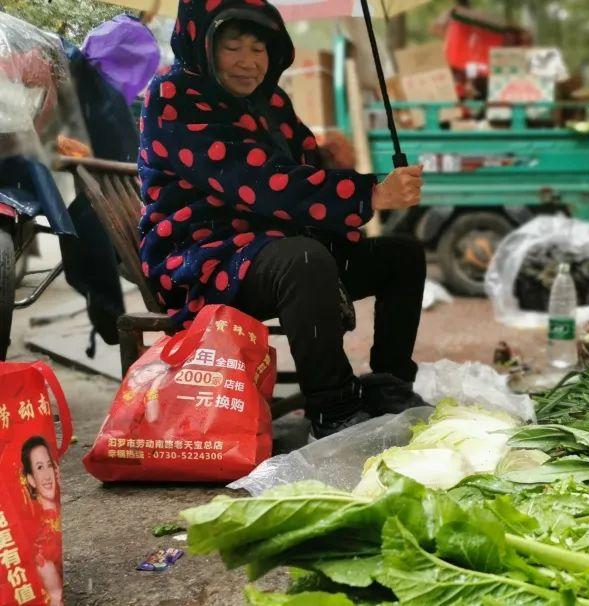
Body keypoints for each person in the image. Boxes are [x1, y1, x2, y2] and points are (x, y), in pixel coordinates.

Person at [137, 0, 425, 440]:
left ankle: (390, 385)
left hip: (275, 246)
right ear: (202, 44)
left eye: (259, 48)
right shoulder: (174, 95)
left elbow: (299, 167)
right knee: (304, 259)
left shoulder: (269, 99)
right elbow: (257, 180)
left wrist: (330, 159)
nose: (249, 62)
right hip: (205, 259)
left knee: (401, 255)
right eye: (233, 47)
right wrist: (369, 192)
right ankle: (335, 407)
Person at [21, 436, 63, 606]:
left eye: (49, 465)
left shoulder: (57, 518)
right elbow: (56, 598)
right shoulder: (41, 546)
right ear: (31, 479)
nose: (47, 475)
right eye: (39, 468)